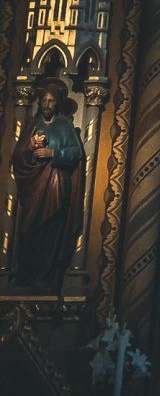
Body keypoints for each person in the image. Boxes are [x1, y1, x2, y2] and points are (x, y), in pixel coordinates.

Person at [9, 77, 84, 289]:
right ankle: (25, 274)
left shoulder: (65, 126)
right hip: (34, 189)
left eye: (51, 101)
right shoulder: (33, 126)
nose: (47, 104)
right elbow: (17, 157)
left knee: (50, 229)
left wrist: (53, 152)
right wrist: (30, 147)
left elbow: (75, 153)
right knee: (28, 228)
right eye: (44, 101)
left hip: (55, 185)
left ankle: (46, 277)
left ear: (57, 103)